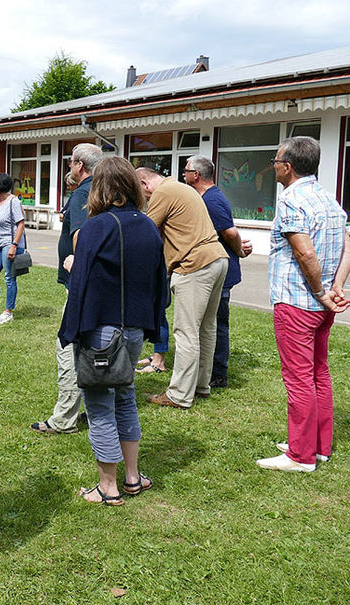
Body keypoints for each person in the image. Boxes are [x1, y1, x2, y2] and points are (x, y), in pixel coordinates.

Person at [58, 157, 165, 505]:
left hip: (101, 331)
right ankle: (133, 477)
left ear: (100, 187)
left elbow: (82, 286)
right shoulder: (148, 226)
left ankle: (108, 485)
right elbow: (158, 284)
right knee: (125, 398)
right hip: (133, 331)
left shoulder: (94, 227)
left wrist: (70, 330)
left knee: (100, 404)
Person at [257, 136, 350, 472]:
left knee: (298, 378)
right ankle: (318, 446)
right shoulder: (327, 197)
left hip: (298, 302)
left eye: (276, 159)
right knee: (318, 373)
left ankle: (300, 455)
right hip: (321, 304)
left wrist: (324, 291)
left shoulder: (292, 199)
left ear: (288, 166)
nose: (274, 164)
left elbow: (305, 251)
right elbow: (346, 239)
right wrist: (336, 285)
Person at [135, 166, 228, 409]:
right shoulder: (182, 188)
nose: (145, 200)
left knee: (186, 332)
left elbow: (144, 230)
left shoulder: (163, 193)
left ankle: (178, 395)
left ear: (145, 184)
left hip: (194, 264)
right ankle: (200, 386)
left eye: (143, 195)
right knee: (206, 329)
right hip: (217, 259)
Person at [31, 143, 102, 434]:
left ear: (80, 166)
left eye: (71, 163)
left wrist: (79, 268)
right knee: (90, 347)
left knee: (68, 346)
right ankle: (90, 408)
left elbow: (81, 237)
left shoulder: (83, 193)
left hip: (81, 285)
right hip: (98, 286)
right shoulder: (102, 191)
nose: (69, 168)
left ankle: (64, 419)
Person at [183, 155, 253, 388]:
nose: (184, 175)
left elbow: (230, 233)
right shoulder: (206, 197)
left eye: (186, 171)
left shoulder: (211, 200)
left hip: (220, 270)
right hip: (215, 267)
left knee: (216, 322)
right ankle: (208, 367)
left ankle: (218, 373)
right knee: (208, 321)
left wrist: (240, 251)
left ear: (197, 175)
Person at [0, 173, 25, 325]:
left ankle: (8, 311)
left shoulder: (13, 201)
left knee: (9, 278)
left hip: (9, 243)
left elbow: (20, 224)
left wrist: (14, 245)